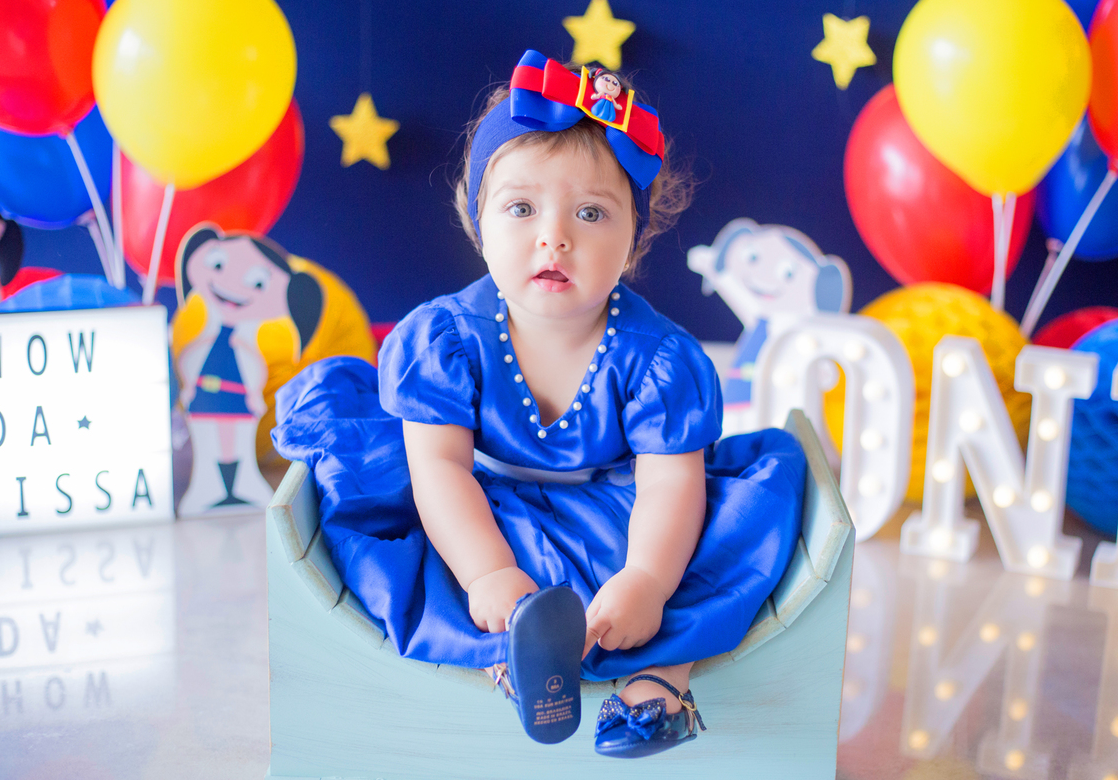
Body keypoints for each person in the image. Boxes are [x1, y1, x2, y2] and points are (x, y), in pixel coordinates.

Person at [272, 50, 805, 757]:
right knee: (428, 547)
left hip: (623, 509)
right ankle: (511, 657)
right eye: (521, 208)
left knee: (726, 527)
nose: (554, 236)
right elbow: (440, 470)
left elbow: (669, 484)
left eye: (591, 213)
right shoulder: (448, 339)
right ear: (478, 223)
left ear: (633, 239)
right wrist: (488, 571)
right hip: (484, 504)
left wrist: (645, 578)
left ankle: (659, 679)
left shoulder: (659, 356)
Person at [175, 225, 322, 515]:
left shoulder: (247, 348)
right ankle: (208, 490)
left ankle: (240, 488)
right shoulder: (201, 337)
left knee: (237, 444)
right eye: (218, 265)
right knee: (209, 443)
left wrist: (254, 396)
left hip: (239, 402)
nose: (232, 285)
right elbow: (189, 360)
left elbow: (252, 368)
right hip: (206, 401)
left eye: (257, 284)